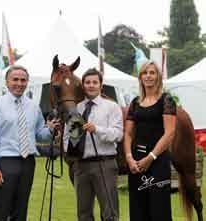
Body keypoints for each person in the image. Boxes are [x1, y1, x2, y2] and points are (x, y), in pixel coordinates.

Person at [0, 65, 59, 221]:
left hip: (28, 162)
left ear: (27, 82)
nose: (19, 83)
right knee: (1, 208)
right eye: (15, 79)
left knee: (21, 208)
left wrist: (51, 129)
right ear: (7, 82)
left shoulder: (33, 106)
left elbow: (40, 134)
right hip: (5, 161)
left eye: (23, 80)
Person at [63, 68, 123, 221]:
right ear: (83, 85)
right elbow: (67, 137)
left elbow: (118, 134)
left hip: (104, 164)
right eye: (87, 82)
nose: (91, 85)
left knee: (109, 213)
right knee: (83, 214)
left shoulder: (112, 107)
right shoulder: (76, 108)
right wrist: (70, 152)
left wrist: (97, 129)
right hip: (81, 166)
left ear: (101, 85)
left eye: (95, 82)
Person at [124, 60, 176, 221]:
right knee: (138, 210)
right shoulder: (135, 102)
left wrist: (151, 157)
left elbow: (169, 133)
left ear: (158, 77)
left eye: (152, 72)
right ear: (140, 77)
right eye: (145, 73)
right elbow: (128, 134)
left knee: (159, 210)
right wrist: (129, 158)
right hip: (136, 163)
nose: (148, 76)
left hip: (158, 162)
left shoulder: (166, 101)